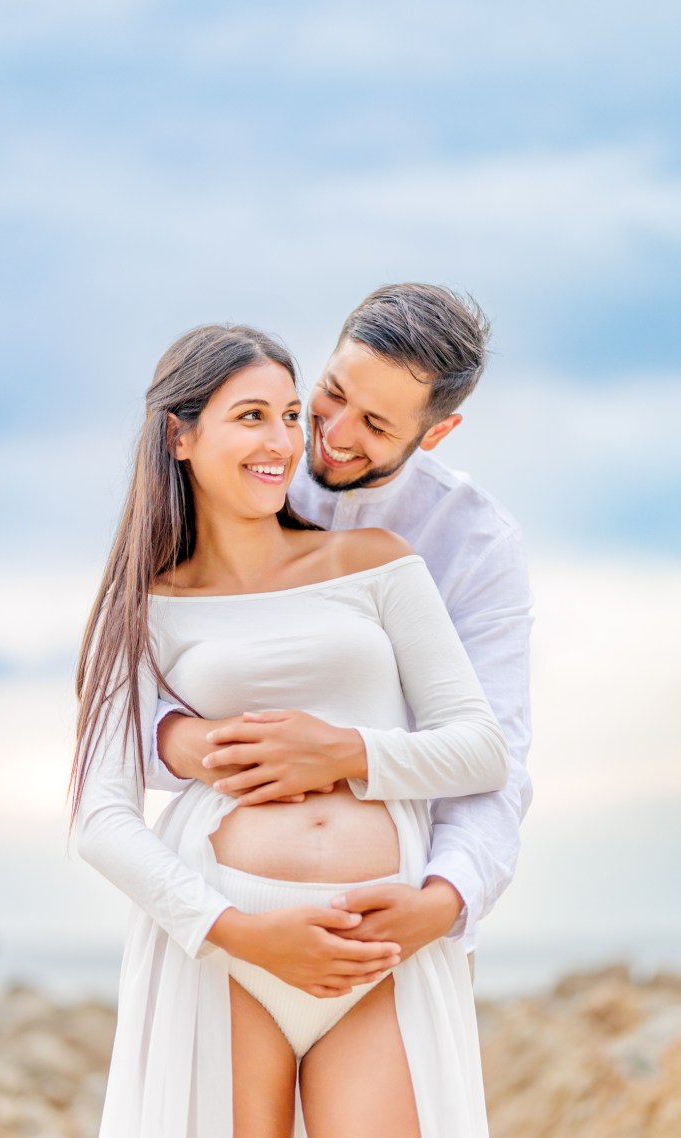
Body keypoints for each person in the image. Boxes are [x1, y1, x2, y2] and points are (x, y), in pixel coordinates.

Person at [72, 322, 510, 1138]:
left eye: (286, 414)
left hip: (374, 951)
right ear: (180, 434)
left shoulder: (374, 561)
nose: (281, 441)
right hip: (229, 955)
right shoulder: (144, 604)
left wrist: (345, 752)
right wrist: (238, 932)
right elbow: (99, 815)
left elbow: (479, 749)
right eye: (249, 417)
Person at [154, 284, 533, 971]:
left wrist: (446, 900)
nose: (335, 433)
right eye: (333, 394)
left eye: (378, 426)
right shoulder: (236, 477)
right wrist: (185, 737)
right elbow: (121, 708)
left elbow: (495, 754)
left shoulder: (475, 543)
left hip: (393, 919)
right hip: (224, 912)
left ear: (435, 433)